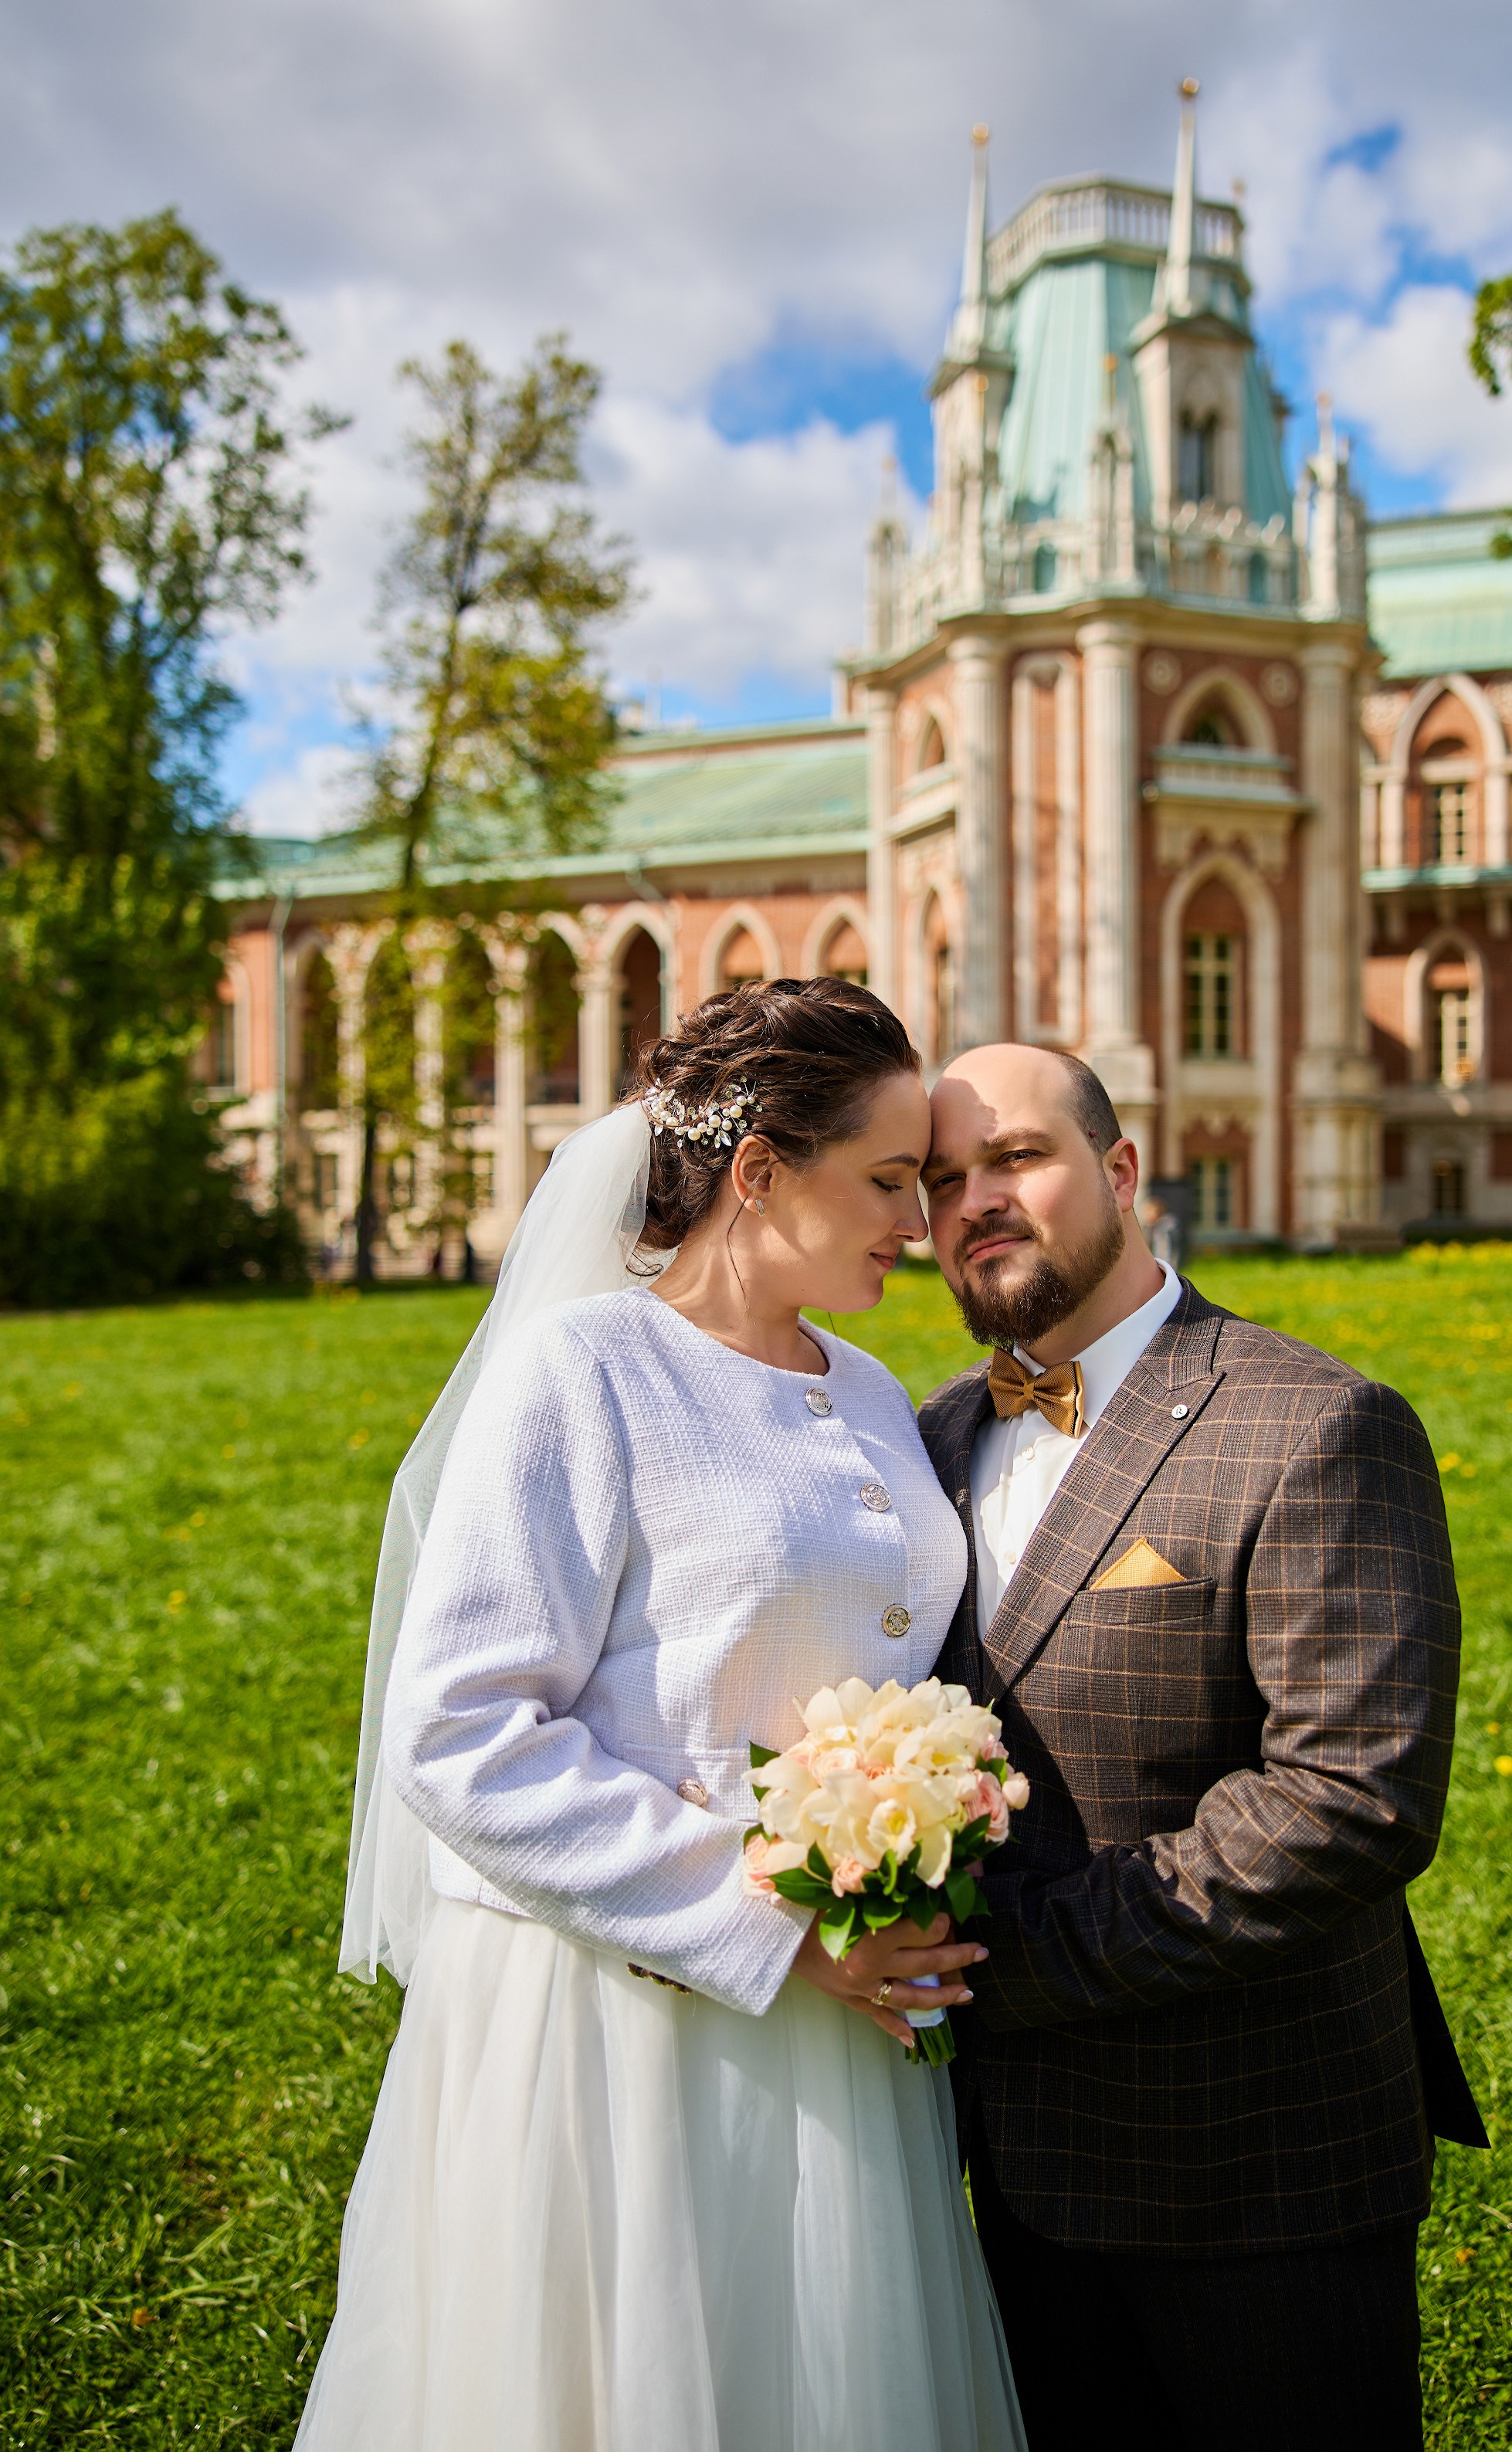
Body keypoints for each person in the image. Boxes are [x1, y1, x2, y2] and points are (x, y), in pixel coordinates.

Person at [297, 980, 1026, 2452]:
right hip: (629, 2018)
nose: (918, 1219)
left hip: (856, 2024)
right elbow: (461, 1732)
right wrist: (774, 1915)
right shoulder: (583, 1374)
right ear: (760, 1170)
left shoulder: (879, 1391)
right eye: (890, 1179)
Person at [917, 1043, 1485, 2452]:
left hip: (1255, 2159)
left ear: (1123, 1174)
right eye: (939, 1180)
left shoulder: (1316, 1423)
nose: (977, 1201)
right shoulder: (919, 1445)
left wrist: (1007, 1964)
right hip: (997, 2167)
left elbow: (1351, 1797)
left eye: (1016, 1159)